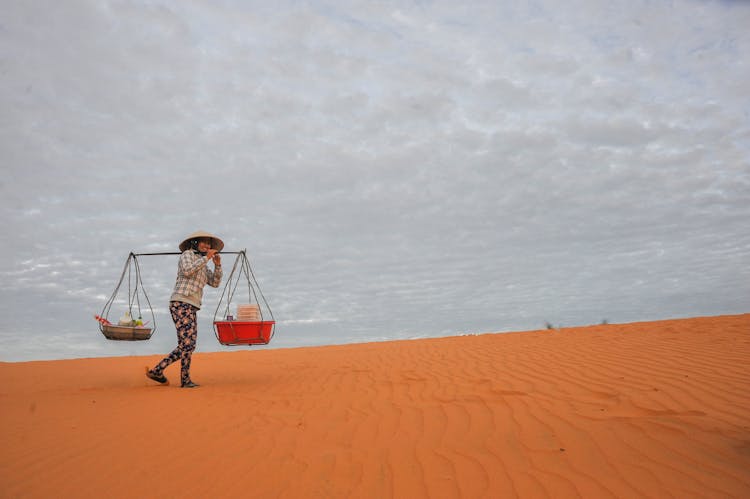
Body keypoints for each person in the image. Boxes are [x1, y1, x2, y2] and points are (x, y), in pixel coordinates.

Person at [146, 231, 223, 388]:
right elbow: (187, 270)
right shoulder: (187, 255)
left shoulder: (203, 264)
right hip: (180, 302)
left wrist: (217, 265)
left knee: (189, 345)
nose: (207, 246)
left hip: (192, 306)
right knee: (187, 344)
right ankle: (173, 376)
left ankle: (167, 374)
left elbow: (215, 283)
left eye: (209, 244)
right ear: (195, 243)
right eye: (203, 242)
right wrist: (206, 258)